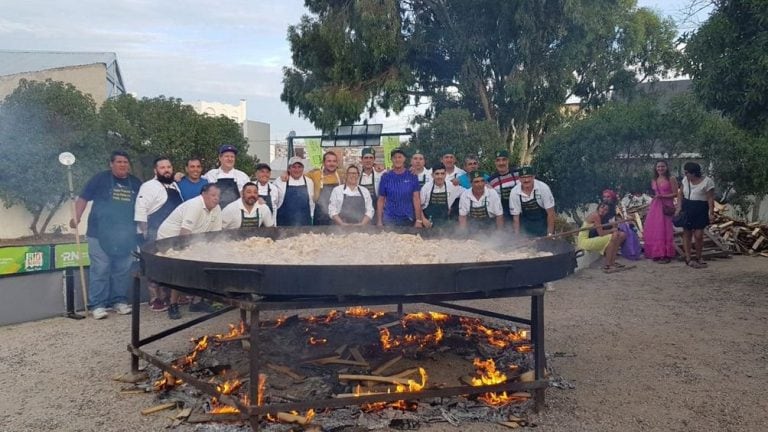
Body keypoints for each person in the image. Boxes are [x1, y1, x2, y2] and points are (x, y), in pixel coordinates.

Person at [70, 150, 142, 320]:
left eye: (125, 162)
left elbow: (144, 204)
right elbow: (83, 198)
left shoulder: (135, 182)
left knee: (122, 270)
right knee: (100, 269)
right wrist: (76, 217)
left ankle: (119, 301)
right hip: (98, 233)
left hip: (126, 235)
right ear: (111, 164)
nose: (123, 164)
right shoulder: (100, 179)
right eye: (119, 162)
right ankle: (98, 305)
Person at [157, 184, 223, 319]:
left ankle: (197, 302)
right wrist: (190, 252)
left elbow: (216, 234)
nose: (216, 199)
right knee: (182, 269)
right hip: (170, 240)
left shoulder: (216, 209)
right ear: (204, 194)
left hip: (193, 239)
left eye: (218, 196)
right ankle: (173, 305)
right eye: (213, 195)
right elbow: (184, 234)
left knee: (206, 263)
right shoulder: (194, 205)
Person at [134, 157, 183, 312]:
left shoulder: (175, 186)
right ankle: (155, 299)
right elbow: (141, 209)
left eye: (169, 167)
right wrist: (145, 232)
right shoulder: (149, 186)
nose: (166, 170)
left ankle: (168, 297)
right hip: (154, 231)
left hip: (172, 234)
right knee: (154, 266)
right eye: (162, 167)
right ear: (155, 170)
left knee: (169, 266)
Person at [679, 162, 716, 269]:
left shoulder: (707, 182)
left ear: (694, 173)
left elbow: (710, 198)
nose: (686, 175)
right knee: (687, 233)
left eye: (688, 173)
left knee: (699, 235)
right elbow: (680, 193)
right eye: (685, 172)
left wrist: (711, 213)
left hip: (700, 208)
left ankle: (699, 256)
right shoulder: (685, 180)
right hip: (687, 207)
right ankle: (688, 257)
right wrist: (679, 207)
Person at [577, 202, 631, 273]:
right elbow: (601, 233)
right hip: (584, 241)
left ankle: (612, 262)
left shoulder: (601, 216)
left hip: (590, 239)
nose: (603, 210)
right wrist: (612, 230)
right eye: (602, 207)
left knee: (622, 235)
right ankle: (608, 264)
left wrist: (614, 227)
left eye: (605, 210)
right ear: (598, 207)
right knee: (613, 236)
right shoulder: (595, 216)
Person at [377, 148, 425, 227]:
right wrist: (379, 221)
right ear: (391, 159)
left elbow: (416, 199)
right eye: (395, 157)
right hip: (389, 219)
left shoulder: (412, 176)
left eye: (400, 157)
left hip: (407, 218)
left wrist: (418, 220)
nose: (397, 159)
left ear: (404, 159)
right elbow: (381, 200)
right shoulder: (385, 177)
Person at [644, 160, 678, 263]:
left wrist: (662, 196)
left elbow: (676, 193)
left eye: (662, 166)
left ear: (666, 167)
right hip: (655, 206)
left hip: (666, 206)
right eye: (658, 167)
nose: (660, 168)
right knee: (655, 229)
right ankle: (657, 253)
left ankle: (666, 254)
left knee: (666, 230)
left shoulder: (671, 179)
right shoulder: (654, 179)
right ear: (655, 168)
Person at [509, 166, 556, 237]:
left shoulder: (543, 188)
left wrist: (550, 234)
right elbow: (516, 218)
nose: (526, 180)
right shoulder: (514, 192)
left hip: (544, 227)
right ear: (519, 179)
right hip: (527, 230)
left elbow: (551, 213)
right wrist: (517, 237)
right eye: (523, 177)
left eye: (529, 177)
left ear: (533, 177)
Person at [203, 144, 250, 208]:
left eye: (232, 157)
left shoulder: (243, 176)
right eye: (227, 156)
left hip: (236, 213)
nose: (230, 159)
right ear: (220, 158)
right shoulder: (210, 175)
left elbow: (248, 196)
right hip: (216, 213)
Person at [274, 156, 314, 226]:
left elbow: (311, 202)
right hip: (284, 223)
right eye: (294, 167)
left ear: (303, 168)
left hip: (304, 223)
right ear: (289, 169)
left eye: (299, 167)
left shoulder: (309, 181)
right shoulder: (280, 181)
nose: (297, 169)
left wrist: (312, 216)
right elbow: (273, 202)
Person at [307, 151, 343, 225]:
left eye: (334, 161)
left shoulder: (341, 175)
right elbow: (297, 175)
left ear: (337, 163)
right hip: (320, 215)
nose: (332, 164)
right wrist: (286, 173)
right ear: (323, 163)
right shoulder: (315, 174)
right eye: (329, 161)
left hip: (337, 215)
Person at [421, 163, 460, 228]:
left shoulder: (452, 186)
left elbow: (468, 193)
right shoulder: (426, 187)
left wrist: (459, 180)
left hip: (445, 225)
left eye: (442, 174)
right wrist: (423, 219)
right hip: (428, 224)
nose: (440, 176)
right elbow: (419, 205)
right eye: (437, 174)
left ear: (446, 174)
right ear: (432, 175)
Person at [488, 150, 518, 223]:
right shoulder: (491, 180)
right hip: (504, 215)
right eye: (498, 160)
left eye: (504, 160)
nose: (501, 163)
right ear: (495, 162)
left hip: (522, 213)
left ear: (508, 161)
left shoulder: (518, 173)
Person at [359, 148, 382, 219]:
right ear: (361, 159)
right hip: (359, 213)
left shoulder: (381, 174)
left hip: (376, 213)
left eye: (371, 158)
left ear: (374, 160)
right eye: (366, 158)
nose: (368, 160)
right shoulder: (356, 175)